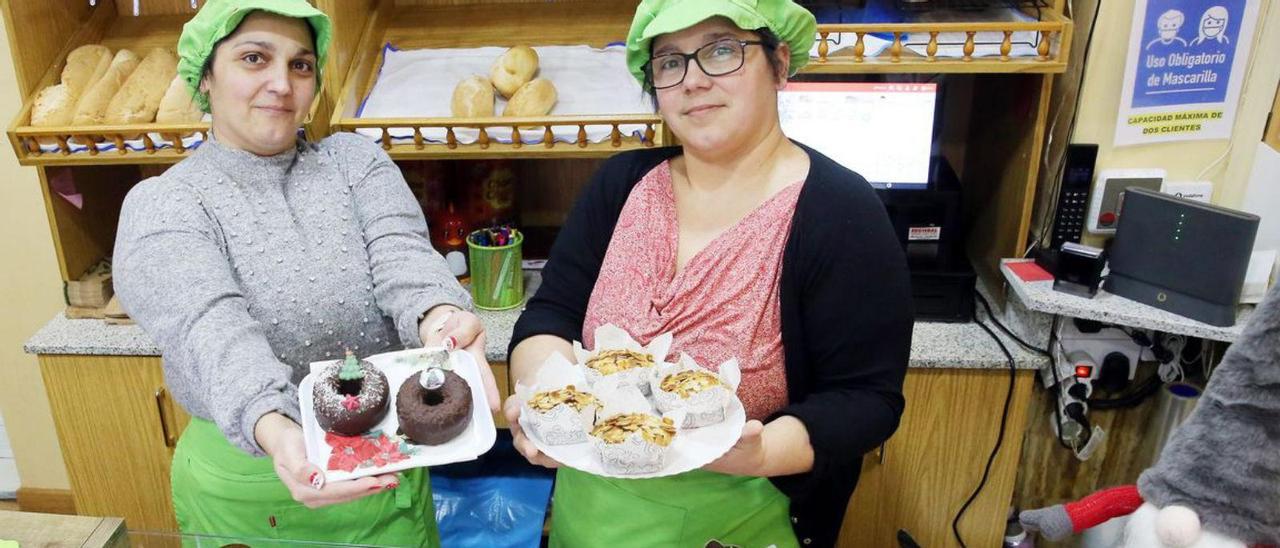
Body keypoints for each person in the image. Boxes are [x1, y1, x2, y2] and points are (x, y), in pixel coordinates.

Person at [504, 0, 914, 546]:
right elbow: (551, 313)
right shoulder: (621, 185)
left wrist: (761, 452)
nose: (692, 80)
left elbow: (866, 398)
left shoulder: (840, 211)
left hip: (742, 514)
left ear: (780, 63)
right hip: (593, 513)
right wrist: (541, 401)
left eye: (722, 50)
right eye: (670, 62)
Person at [113, 0, 498, 543]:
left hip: (380, 457)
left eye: (300, 65)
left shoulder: (354, 162)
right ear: (204, 80)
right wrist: (276, 428)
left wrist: (441, 318)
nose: (281, 83)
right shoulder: (165, 203)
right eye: (254, 58)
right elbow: (212, 331)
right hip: (253, 480)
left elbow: (403, 258)